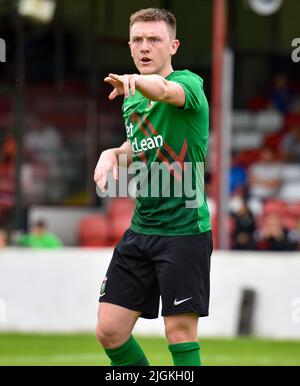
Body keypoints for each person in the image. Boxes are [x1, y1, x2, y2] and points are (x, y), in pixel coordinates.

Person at [94, 8, 212, 366]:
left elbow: (163, 90)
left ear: (173, 45)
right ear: (130, 46)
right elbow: (140, 146)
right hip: (141, 229)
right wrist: (113, 153)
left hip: (184, 230)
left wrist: (135, 81)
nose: (145, 47)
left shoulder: (188, 84)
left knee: (178, 332)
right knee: (110, 330)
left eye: (154, 40)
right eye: (138, 40)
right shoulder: (131, 98)